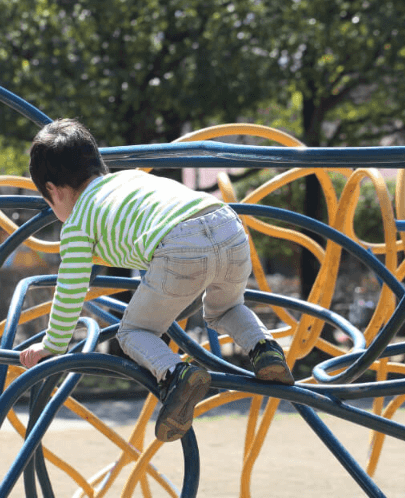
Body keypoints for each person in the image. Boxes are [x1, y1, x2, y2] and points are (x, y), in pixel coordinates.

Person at [18, 119, 294, 443]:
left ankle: (177, 374)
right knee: (226, 308)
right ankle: (265, 350)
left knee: (134, 331)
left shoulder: (78, 222)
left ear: (53, 190)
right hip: (227, 225)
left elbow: (70, 289)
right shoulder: (130, 179)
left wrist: (52, 344)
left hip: (180, 244)